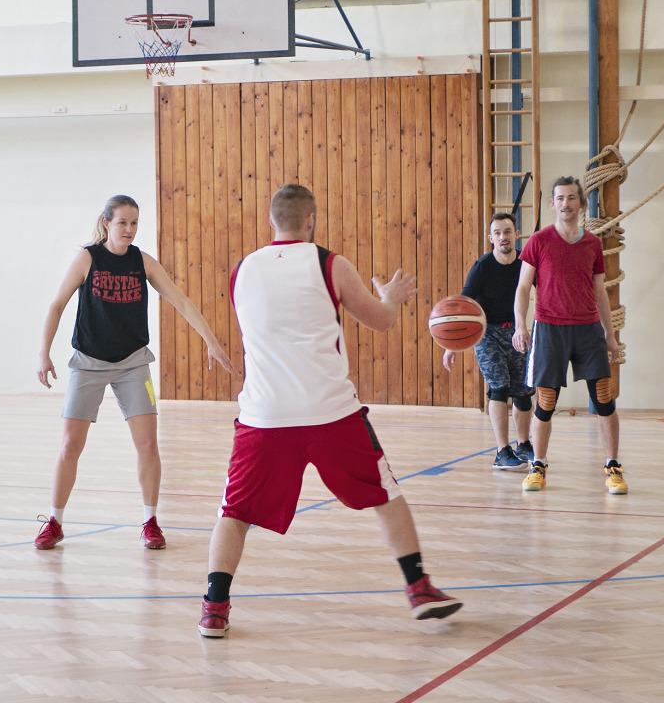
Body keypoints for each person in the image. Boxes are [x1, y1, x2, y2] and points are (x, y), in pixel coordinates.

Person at [198, 184, 462, 638]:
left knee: (235, 512)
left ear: (271, 221)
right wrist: (391, 296)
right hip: (330, 412)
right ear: (312, 220)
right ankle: (418, 588)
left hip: (265, 415)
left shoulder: (242, 270)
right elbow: (380, 320)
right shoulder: (329, 263)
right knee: (385, 494)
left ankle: (214, 608)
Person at [34, 195, 230, 551]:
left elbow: (181, 301)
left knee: (148, 444)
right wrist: (43, 354)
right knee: (70, 445)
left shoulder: (143, 262)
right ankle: (55, 521)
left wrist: (211, 341)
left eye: (134, 223)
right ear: (107, 223)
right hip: (88, 362)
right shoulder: (87, 259)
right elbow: (57, 304)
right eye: (122, 222)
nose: (129, 229)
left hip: (134, 363)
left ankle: (150, 521)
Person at [512, 176, 626, 495]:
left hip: (588, 330)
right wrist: (521, 325)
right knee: (546, 402)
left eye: (572, 198)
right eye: (560, 198)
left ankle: (613, 465)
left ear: (581, 204)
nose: (566, 203)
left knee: (604, 398)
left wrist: (609, 334)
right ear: (553, 204)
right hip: (550, 329)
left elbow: (599, 290)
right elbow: (522, 288)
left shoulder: (592, 244)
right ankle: (538, 465)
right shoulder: (539, 241)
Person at [443, 213, 535, 470]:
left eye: (507, 231)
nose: (503, 237)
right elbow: (464, 304)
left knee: (524, 391)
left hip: (517, 331)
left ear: (516, 234)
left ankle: (524, 444)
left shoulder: (525, 264)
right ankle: (502, 450)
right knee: (499, 387)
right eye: (497, 233)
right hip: (487, 334)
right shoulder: (482, 267)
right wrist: (453, 345)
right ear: (491, 238)